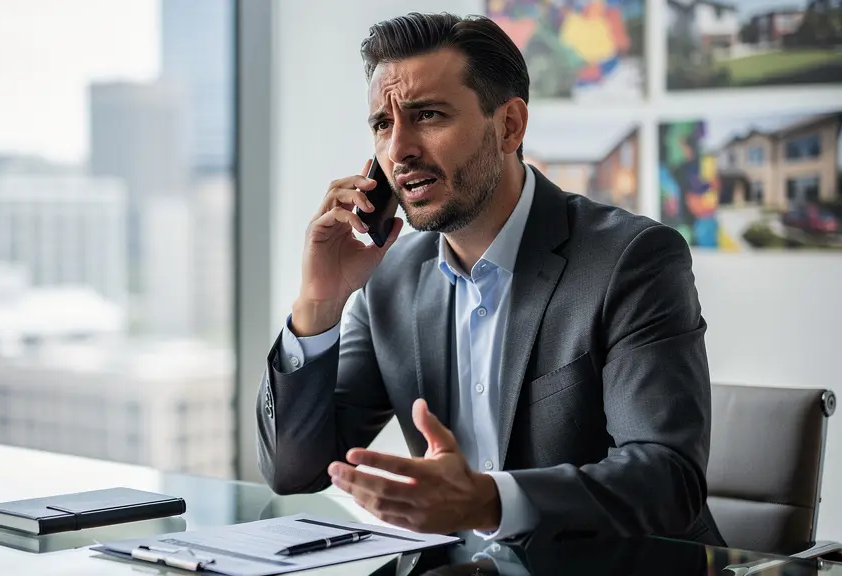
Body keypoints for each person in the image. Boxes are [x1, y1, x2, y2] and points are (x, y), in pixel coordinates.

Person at [255, 11, 725, 546]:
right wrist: (319, 302)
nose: (398, 151)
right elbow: (294, 471)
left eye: (427, 115)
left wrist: (489, 500)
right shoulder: (392, 279)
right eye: (383, 125)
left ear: (509, 126)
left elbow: (667, 481)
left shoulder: (631, 260)